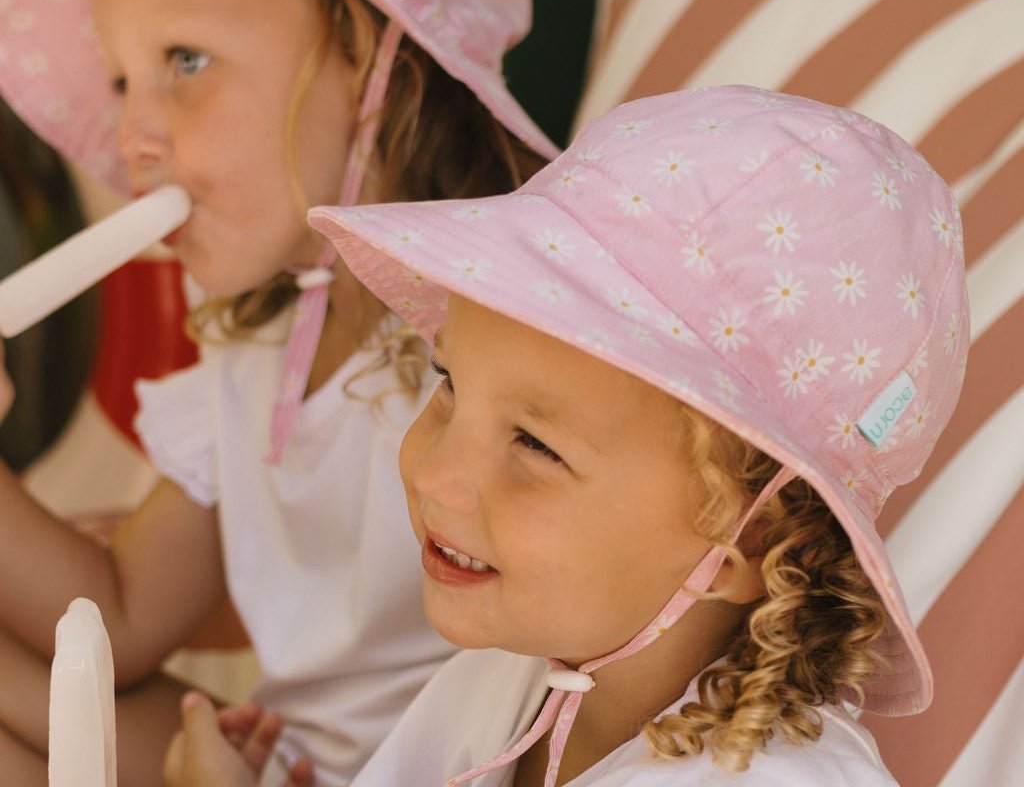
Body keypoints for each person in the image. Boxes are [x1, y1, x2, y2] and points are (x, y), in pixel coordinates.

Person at [0, 0, 556, 787]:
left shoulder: (494, 355)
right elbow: (118, 616)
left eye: (185, 62)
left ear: (366, 52)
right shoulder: (257, 352)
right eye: (124, 80)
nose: (133, 134)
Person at [182, 83, 968, 785]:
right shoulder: (511, 686)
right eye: (449, 384)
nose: (434, 474)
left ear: (745, 539)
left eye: (535, 444)